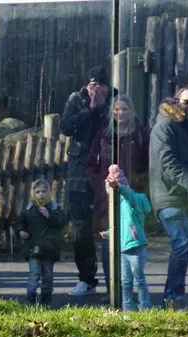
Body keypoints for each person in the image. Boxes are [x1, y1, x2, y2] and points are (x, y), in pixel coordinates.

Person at [86, 94, 150, 290]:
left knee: (132, 242)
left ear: (131, 111)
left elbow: (148, 166)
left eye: (124, 109)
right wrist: (100, 186)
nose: (120, 112)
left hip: (131, 198)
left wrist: (137, 188)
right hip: (107, 197)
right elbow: (90, 164)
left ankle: (130, 289)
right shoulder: (104, 135)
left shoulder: (140, 134)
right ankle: (112, 289)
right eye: (116, 109)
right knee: (108, 243)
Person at [60, 65, 114, 296]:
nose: (95, 90)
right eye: (92, 85)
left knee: (110, 228)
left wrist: (103, 108)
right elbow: (66, 128)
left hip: (106, 171)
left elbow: (122, 125)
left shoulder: (116, 99)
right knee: (81, 228)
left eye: (99, 86)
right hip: (79, 172)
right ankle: (86, 278)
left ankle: (114, 280)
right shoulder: (77, 99)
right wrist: (90, 109)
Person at [149, 87, 188, 310]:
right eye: (187, 102)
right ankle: (171, 297)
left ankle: (174, 296)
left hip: (187, 196)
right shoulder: (166, 125)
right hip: (168, 195)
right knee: (183, 241)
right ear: (176, 100)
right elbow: (167, 163)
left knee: (184, 244)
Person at [101, 165, 151, 311]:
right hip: (122, 247)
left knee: (139, 279)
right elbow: (120, 225)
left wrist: (119, 186)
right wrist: (108, 233)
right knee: (125, 281)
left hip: (135, 245)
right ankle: (127, 308)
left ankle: (145, 307)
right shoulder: (117, 205)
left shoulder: (134, 199)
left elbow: (129, 196)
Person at [16, 179, 66, 307]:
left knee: (47, 277)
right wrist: (21, 231)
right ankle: (30, 302)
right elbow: (19, 222)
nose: (41, 194)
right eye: (37, 192)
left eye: (44, 191)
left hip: (50, 249)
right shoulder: (29, 209)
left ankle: (46, 302)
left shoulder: (54, 208)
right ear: (33, 193)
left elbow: (61, 223)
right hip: (34, 248)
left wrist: (49, 215)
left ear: (49, 193)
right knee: (34, 275)